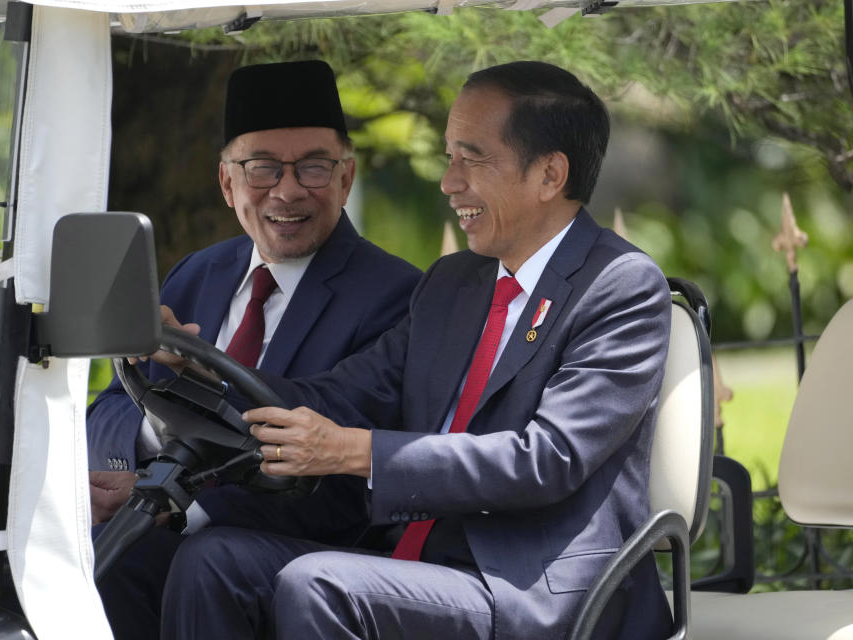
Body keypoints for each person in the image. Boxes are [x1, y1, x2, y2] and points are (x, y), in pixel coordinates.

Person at [161, 61, 675, 640]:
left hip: (532, 588)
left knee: (319, 583)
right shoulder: (454, 283)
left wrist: (358, 453)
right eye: (449, 158)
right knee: (212, 559)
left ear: (550, 174)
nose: (449, 182)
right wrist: (199, 372)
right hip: (418, 565)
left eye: (471, 159)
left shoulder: (620, 284)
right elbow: (347, 394)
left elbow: (545, 459)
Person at [85, 59, 421, 639]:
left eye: (314, 168)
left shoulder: (396, 295)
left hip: (307, 553)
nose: (288, 191)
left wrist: (180, 507)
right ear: (227, 182)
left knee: (199, 556)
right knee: (104, 555)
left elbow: (353, 484)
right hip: (177, 528)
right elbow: (109, 410)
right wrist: (153, 442)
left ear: (346, 177)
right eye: (262, 168)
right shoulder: (198, 273)